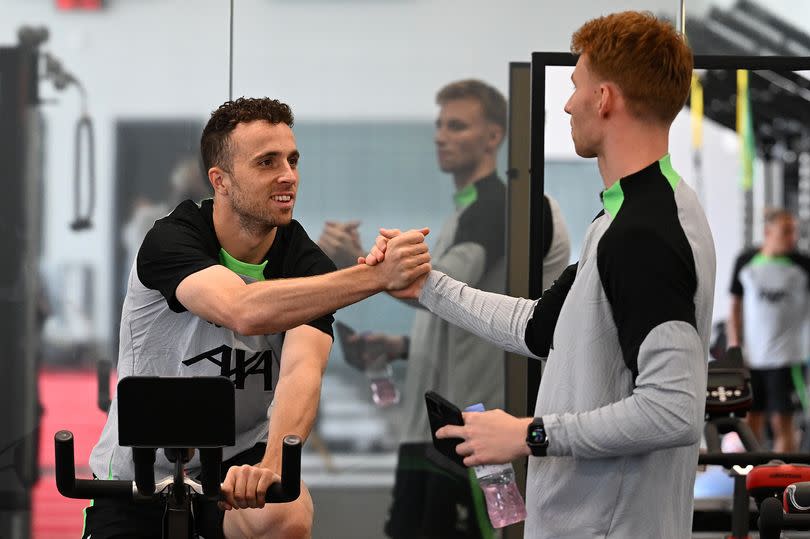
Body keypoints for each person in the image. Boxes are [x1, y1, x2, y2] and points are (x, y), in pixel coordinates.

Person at [364, 11, 715, 538]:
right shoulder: (629, 214)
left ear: (605, 98)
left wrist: (530, 434)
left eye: (577, 87)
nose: (569, 103)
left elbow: (674, 410)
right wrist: (427, 287)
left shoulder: (645, 232)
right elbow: (539, 327)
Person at [83, 97, 431, 539]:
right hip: (140, 468)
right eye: (267, 162)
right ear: (220, 181)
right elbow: (242, 311)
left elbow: (301, 371)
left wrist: (269, 467)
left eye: (292, 159)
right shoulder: (172, 239)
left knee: (286, 516)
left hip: (236, 463)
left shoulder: (306, 263)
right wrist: (376, 277)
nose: (288, 175)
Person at [325, 80, 570, 538]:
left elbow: (429, 287)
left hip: (478, 431)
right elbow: (458, 310)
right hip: (438, 427)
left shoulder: (503, 207)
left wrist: (356, 269)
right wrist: (398, 347)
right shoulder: (467, 212)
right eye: (439, 125)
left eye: (456, 125)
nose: (441, 135)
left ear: (493, 137)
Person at [728, 208, 810, 452]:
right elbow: (735, 307)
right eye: (786, 232)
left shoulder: (803, 265)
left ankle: (783, 484)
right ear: (768, 232)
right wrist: (734, 347)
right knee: (751, 421)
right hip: (752, 359)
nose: (792, 237)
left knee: (782, 423)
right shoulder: (746, 262)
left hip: (787, 360)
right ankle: (752, 482)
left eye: (793, 232)